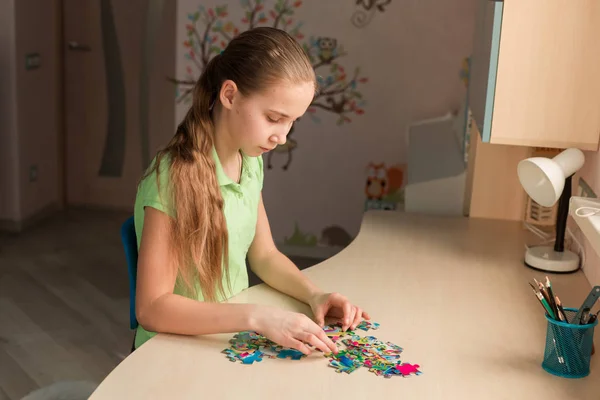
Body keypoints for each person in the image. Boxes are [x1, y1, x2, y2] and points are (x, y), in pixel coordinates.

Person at [133, 26, 369, 353]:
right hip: (174, 350)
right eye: (274, 118)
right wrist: (258, 318)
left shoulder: (250, 162)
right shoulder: (172, 179)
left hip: (229, 342)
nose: (282, 136)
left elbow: (265, 255)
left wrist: (316, 295)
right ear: (229, 95)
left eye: (292, 122)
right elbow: (152, 308)